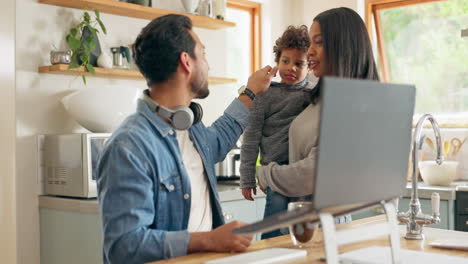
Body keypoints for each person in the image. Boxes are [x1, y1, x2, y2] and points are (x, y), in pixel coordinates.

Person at [95, 14, 277, 263]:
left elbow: (219, 139)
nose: (208, 64)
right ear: (186, 62)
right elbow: (124, 246)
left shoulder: (190, 126)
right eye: (202, 53)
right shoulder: (127, 146)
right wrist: (208, 239)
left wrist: (251, 92)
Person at [254, 8, 380, 222]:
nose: (310, 51)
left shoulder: (353, 103)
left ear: (343, 47)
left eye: (319, 42)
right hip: (302, 219)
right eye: (311, 42)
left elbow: (316, 174)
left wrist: (265, 173)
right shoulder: (320, 96)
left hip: (325, 224)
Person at [239, 25, 314, 239]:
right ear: (276, 63)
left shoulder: (312, 96)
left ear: (309, 67)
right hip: (275, 170)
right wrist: (247, 178)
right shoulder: (264, 94)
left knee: (300, 233)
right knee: (274, 225)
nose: (291, 67)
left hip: (302, 168)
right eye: (285, 61)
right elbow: (251, 137)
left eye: (299, 63)